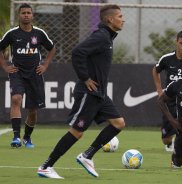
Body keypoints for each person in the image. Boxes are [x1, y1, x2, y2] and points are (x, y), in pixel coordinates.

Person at [37, 4, 125, 179]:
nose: (123, 19)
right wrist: (85, 78)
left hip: (99, 94)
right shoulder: (101, 36)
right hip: (89, 93)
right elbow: (77, 52)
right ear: (110, 19)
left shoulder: (107, 37)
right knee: (77, 132)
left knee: (118, 123)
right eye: (120, 16)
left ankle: (87, 155)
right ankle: (46, 167)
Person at [0, 3, 56, 148]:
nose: (26, 15)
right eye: (23, 13)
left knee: (32, 110)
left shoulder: (39, 33)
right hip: (17, 72)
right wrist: (5, 65)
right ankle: (16, 137)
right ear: (19, 15)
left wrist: (45, 65)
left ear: (32, 15)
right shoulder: (12, 34)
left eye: (28, 13)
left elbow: (52, 48)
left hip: (35, 74)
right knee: (16, 99)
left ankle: (27, 137)